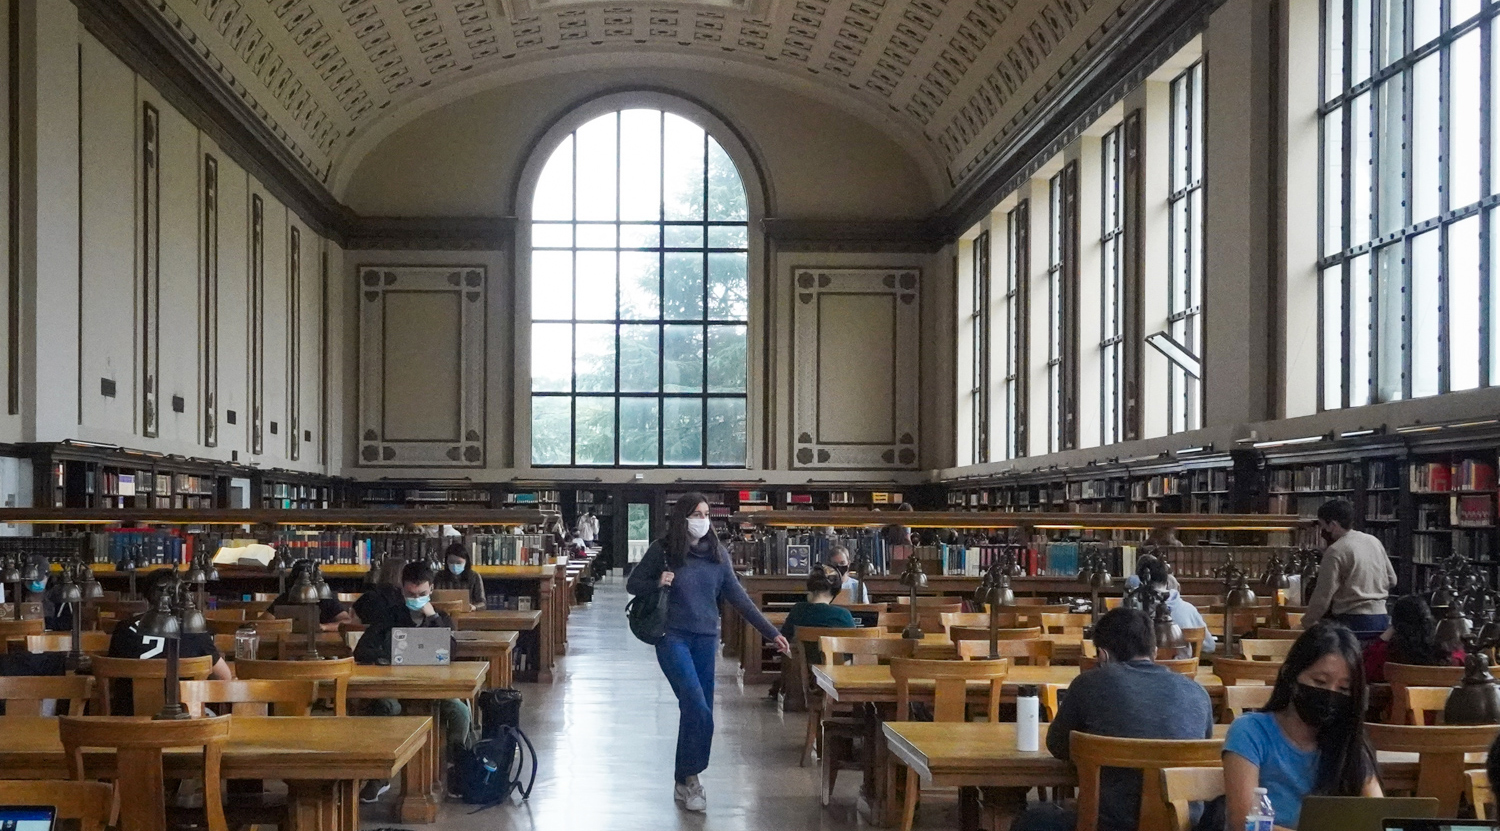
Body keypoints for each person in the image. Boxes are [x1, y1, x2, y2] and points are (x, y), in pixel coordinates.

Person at [627, 492, 789, 814]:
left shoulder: (718, 555)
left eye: (705, 514)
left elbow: (739, 598)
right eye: (696, 514)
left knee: (699, 713)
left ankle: (685, 776)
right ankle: (691, 779)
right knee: (696, 704)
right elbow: (634, 584)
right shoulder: (663, 551)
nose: (702, 520)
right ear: (683, 517)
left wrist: (771, 632)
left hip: (705, 641)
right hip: (671, 637)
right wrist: (658, 580)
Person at [1016, 607, 1214, 831]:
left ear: (1103, 655)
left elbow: (1058, 746)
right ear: (1155, 652)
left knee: (1031, 819)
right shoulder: (1198, 693)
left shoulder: (1088, 684)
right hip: (1182, 824)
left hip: (1105, 826)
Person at [1222, 621, 1381, 830]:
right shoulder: (1250, 732)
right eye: (1320, 681)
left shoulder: (1348, 742)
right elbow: (1244, 822)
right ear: (1290, 676)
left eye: (1343, 689)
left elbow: (1379, 814)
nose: (1330, 694)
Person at [352, 560, 472, 803]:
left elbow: (451, 651)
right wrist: (386, 657)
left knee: (460, 712)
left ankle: (455, 769)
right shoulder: (390, 616)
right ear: (402, 589)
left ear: (431, 589)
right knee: (386, 707)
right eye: (410, 594)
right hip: (395, 687)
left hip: (434, 688)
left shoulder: (441, 618)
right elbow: (362, 651)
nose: (416, 598)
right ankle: (379, 776)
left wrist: (434, 618)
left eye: (422, 594)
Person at [107, 568, 233, 715]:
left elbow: (112, 678)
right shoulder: (194, 630)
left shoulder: (123, 628)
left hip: (127, 724)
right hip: (182, 725)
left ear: (146, 597)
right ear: (180, 595)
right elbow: (224, 679)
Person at [1304, 499, 1397, 640]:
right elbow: (1393, 580)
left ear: (1333, 525)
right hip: (1382, 620)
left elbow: (1323, 595)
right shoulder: (1373, 541)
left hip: (1351, 623)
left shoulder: (1335, 550)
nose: (1323, 532)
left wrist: (1308, 621)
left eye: (1323, 526)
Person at [1363, 594, 1464, 684]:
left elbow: (1364, 671)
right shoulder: (1447, 655)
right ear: (1429, 620)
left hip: (1397, 705)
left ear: (1395, 624)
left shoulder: (1385, 654)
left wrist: (1383, 638)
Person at [1143, 557, 1216, 654]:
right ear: (1167, 582)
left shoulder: (1135, 611)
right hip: (1184, 668)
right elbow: (1210, 646)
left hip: (1146, 668)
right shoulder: (1189, 609)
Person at [268, 560, 349, 632]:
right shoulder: (287, 597)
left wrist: (324, 627)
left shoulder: (326, 597)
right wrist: (281, 626)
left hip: (322, 641)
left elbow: (347, 621)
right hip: (290, 642)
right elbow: (264, 621)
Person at [433, 542, 486, 609]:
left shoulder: (474, 576)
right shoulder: (439, 576)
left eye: (458, 562)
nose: (455, 565)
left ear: (466, 562)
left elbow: (483, 603)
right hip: (444, 613)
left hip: (468, 614)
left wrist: (474, 607)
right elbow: (435, 598)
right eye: (451, 562)